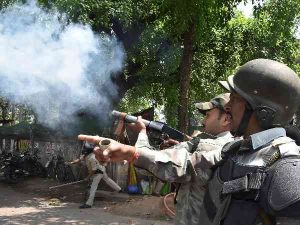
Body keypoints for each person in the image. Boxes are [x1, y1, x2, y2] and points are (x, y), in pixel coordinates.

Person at [79, 93, 234, 224]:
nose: (202, 121)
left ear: (226, 119)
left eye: (208, 115)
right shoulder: (233, 145)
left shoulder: (209, 146)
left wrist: (140, 136)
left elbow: (164, 168)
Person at [67, 142, 121, 209]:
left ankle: (88, 204)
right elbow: (79, 160)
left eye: (84, 151)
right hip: (101, 169)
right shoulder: (86, 155)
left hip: (98, 173)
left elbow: (94, 170)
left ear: (87, 151)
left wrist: (88, 177)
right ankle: (119, 189)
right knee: (107, 179)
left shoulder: (92, 158)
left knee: (93, 188)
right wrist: (71, 163)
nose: (83, 153)